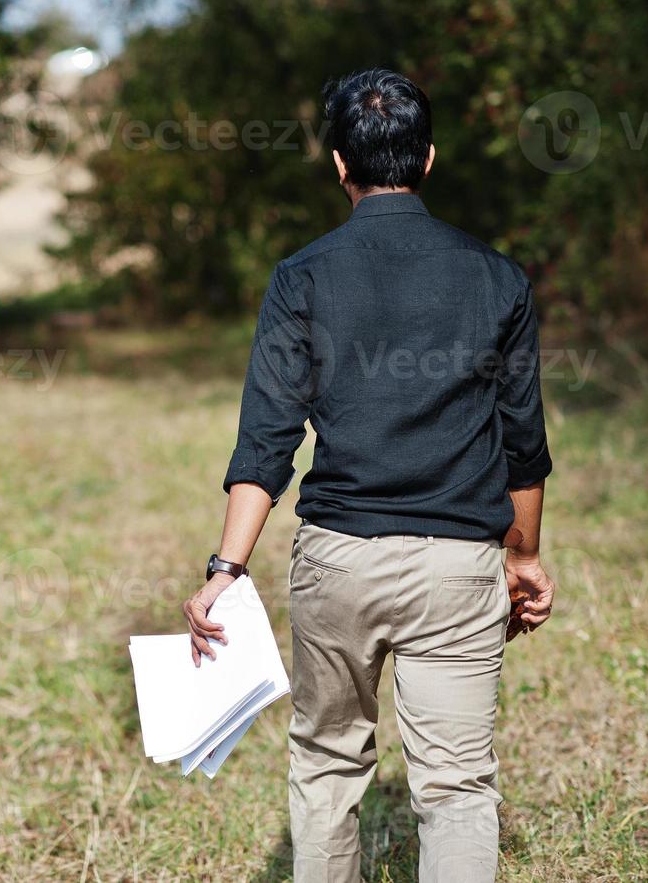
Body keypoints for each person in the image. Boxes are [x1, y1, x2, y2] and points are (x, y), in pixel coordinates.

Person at [182, 68, 556, 883]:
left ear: (338, 166)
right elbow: (521, 441)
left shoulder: (302, 278)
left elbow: (265, 442)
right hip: (460, 565)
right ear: (426, 158)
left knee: (325, 767)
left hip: (339, 561)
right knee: (456, 787)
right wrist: (521, 558)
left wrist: (225, 570)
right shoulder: (496, 277)